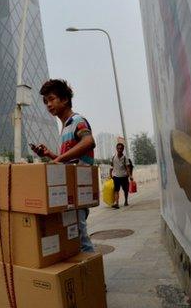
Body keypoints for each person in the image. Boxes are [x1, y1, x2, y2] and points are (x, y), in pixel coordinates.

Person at [30, 79, 95, 252]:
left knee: (81, 239)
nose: (48, 105)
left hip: (79, 190)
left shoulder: (77, 121)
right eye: (45, 102)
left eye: (51, 99)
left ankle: (93, 276)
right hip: (71, 191)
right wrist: (50, 155)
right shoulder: (65, 127)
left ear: (65, 99)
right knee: (74, 237)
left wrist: (58, 160)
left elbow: (88, 141)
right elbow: (68, 160)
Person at [110, 142, 132, 209]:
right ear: (116, 149)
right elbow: (111, 166)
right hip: (116, 176)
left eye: (121, 148)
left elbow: (128, 168)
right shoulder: (113, 157)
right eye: (118, 148)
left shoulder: (125, 158)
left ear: (123, 149)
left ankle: (126, 201)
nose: (119, 150)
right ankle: (117, 203)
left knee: (125, 190)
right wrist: (110, 174)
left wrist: (130, 175)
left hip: (124, 176)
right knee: (116, 190)